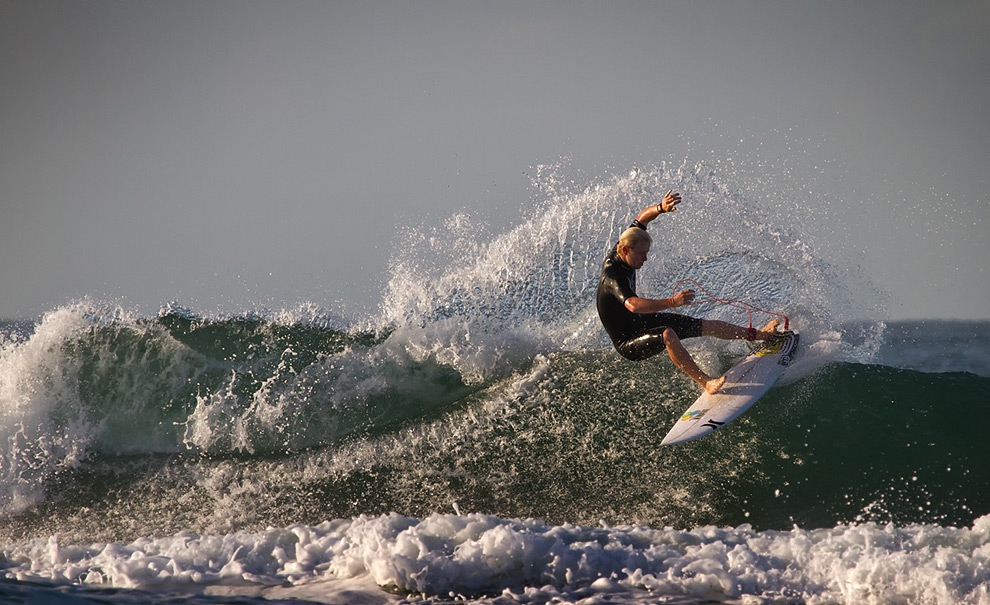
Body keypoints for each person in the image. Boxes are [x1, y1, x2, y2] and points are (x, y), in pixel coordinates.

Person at [596, 190, 780, 394]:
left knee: (702, 324)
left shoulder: (627, 242)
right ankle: (706, 383)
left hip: (640, 322)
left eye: (646, 253)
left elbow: (640, 219)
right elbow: (633, 305)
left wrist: (660, 208)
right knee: (668, 334)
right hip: (628, 341)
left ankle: (759, 334)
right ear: (625, 251)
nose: (645, 259)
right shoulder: (613, 275)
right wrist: (672, 302)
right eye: (641, 254)